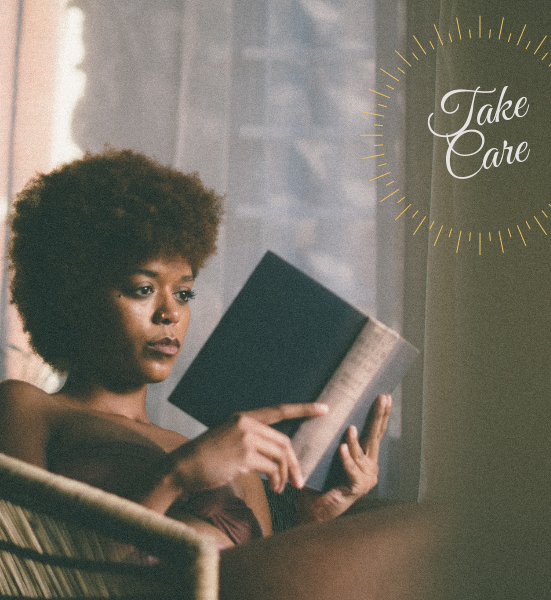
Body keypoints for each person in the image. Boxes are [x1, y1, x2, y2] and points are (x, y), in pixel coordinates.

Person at [0, 148, 439, 600]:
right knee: (444, 531)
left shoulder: (228, 452)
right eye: (142, 289)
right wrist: (177, 475)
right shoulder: (27, 406)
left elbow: (266, 565)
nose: (170, 312)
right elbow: (23, 567)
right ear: (73, 297)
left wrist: (323, 513)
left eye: (184, 292)